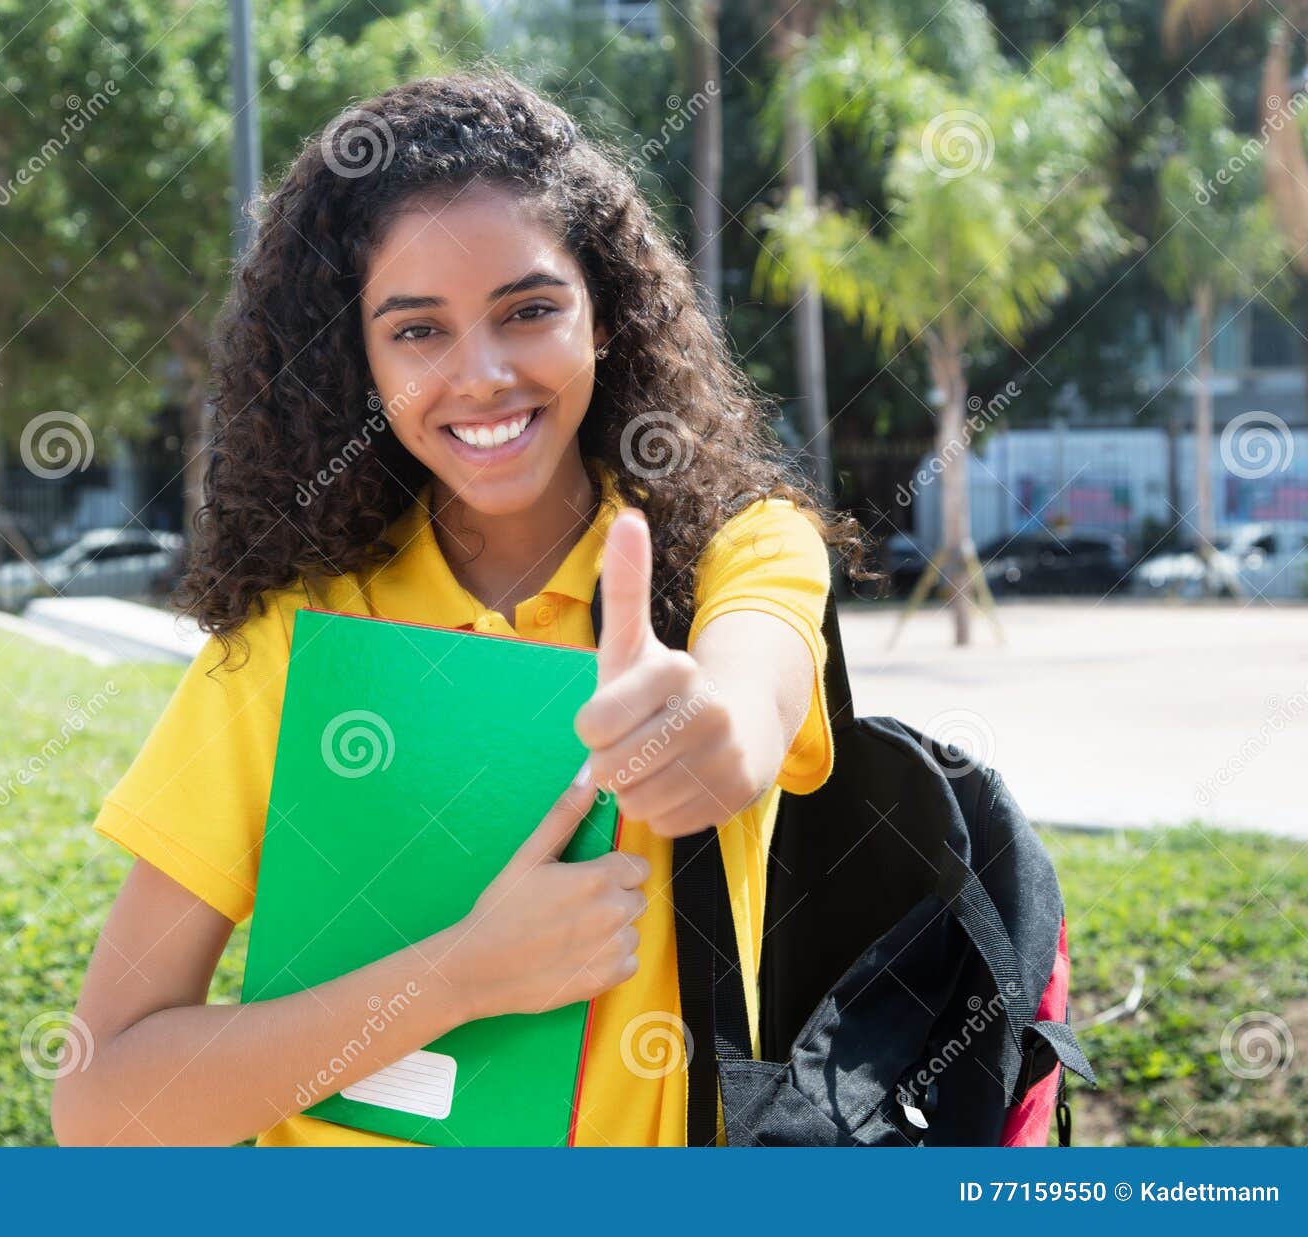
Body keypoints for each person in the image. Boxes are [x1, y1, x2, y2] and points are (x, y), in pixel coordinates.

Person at [51, 68, 872, 1148]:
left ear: (607, 318)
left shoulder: (736, 551)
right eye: (417, 331)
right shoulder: (297, 633)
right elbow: (102, 1102)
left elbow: (743, 712)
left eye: (529, 311)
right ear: (361, 361)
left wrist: (702, 728)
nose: (480, 375)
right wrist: (458, 976)